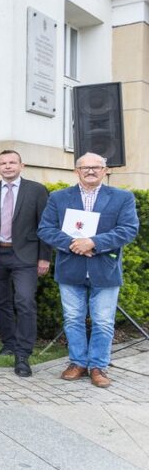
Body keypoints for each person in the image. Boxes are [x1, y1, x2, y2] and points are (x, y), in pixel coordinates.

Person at [38, 153, 139, 388]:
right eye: (85, 167)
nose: (91, 171)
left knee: (103, 321)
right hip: (70, 267)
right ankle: (77, 363)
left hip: (104, 268)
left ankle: (98, 366)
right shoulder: (59, 197)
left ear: (105, 170)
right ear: (77, 171)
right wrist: (74, 244)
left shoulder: (122, 198)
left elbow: (128, 229)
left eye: (96, 167)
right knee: (73, 319)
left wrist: (93, 242)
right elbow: (46, 229)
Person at [0, 149, 50, 377]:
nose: (7, 166)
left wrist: (45, 256)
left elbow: (45, 226)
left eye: (12, 162)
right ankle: (8, 344)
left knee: (25, 301)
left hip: (25, 256)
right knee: (1, 302)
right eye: (3, 163)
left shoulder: (36, 190)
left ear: (21, 165)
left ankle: (23, 354)